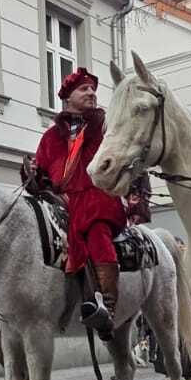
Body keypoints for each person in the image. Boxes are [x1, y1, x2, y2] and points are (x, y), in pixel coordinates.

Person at [31, 68, 125, 334]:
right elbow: (42, 173)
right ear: (68, 96)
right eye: (84, 89)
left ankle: (107, 306)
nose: (92, 93)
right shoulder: (50, 137)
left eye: (93, 89)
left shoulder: (106, 126)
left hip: (97, 196)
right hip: (61, 201)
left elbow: (129, 156)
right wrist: (32, 174)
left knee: (95, 226)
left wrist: (136, 198)